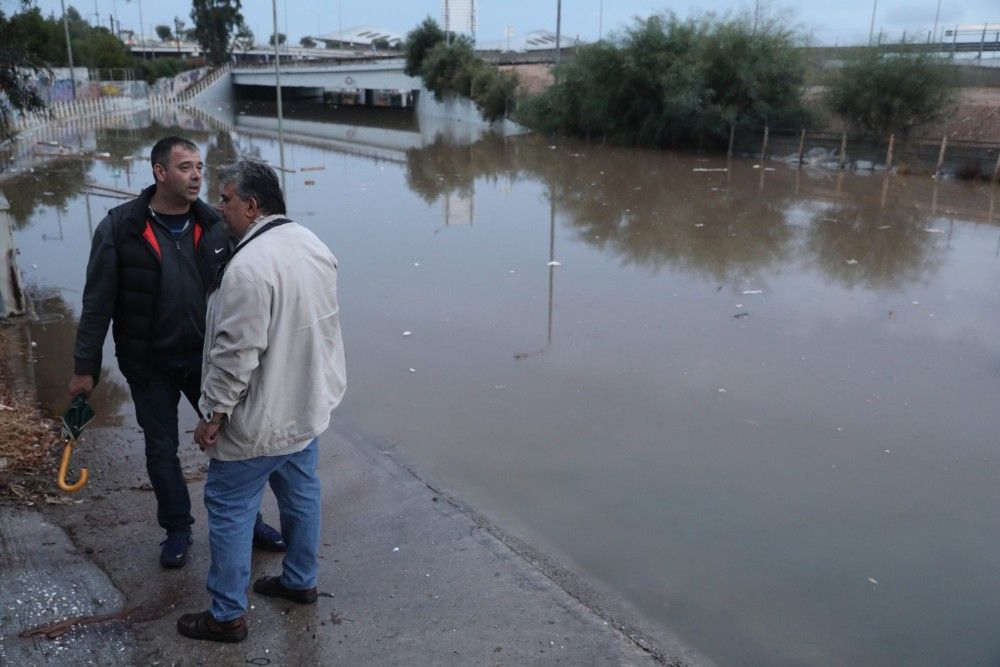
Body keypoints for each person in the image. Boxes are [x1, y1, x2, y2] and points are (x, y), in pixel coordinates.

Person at [69, 136, 285, 569]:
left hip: (207, 359)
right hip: (148, 362)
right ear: (159, 172)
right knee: (160, 449)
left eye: (200, 167)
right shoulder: (120, 228)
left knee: (233, 441)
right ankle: (177, 529)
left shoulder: (216, 225)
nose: (196, 176)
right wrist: (84, 367)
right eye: (185, 167)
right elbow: (97, 304)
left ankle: (249, 521)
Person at [177, 159, 346, 643]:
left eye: (225, 199)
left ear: (251, 206)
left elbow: (235, 355)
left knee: (229, 507)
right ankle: (300, 581)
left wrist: (213, 413)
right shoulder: (312, 245)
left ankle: (227, 615)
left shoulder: (248, 268)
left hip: (259, 420)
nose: (218, 208)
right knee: (302, 492)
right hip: (305, 407)